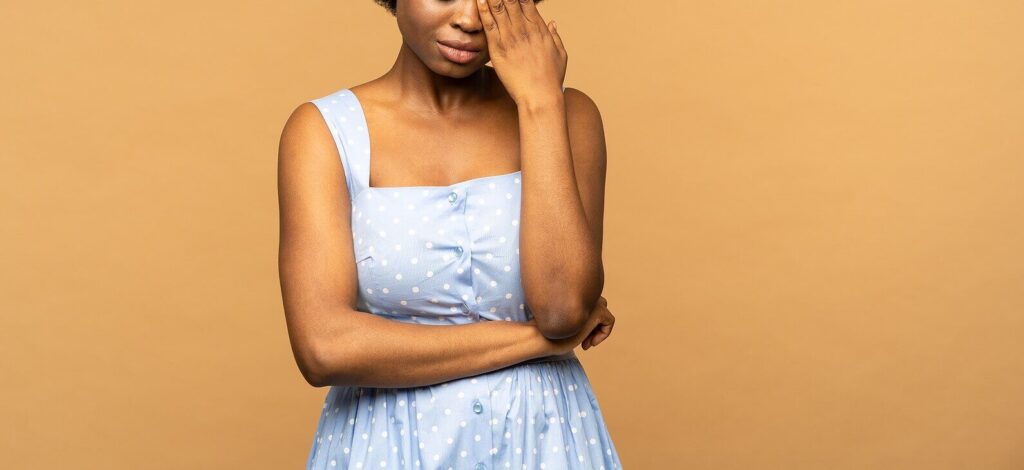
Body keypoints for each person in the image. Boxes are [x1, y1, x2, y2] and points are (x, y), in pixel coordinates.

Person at [277, 1, 621, 468]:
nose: (469, 18)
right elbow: (325, 349)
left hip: (544, 443)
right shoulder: (322, 133)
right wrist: (539, 343)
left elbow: (562, 310)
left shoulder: (567, 115)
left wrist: (539, 103)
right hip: (386, 450)